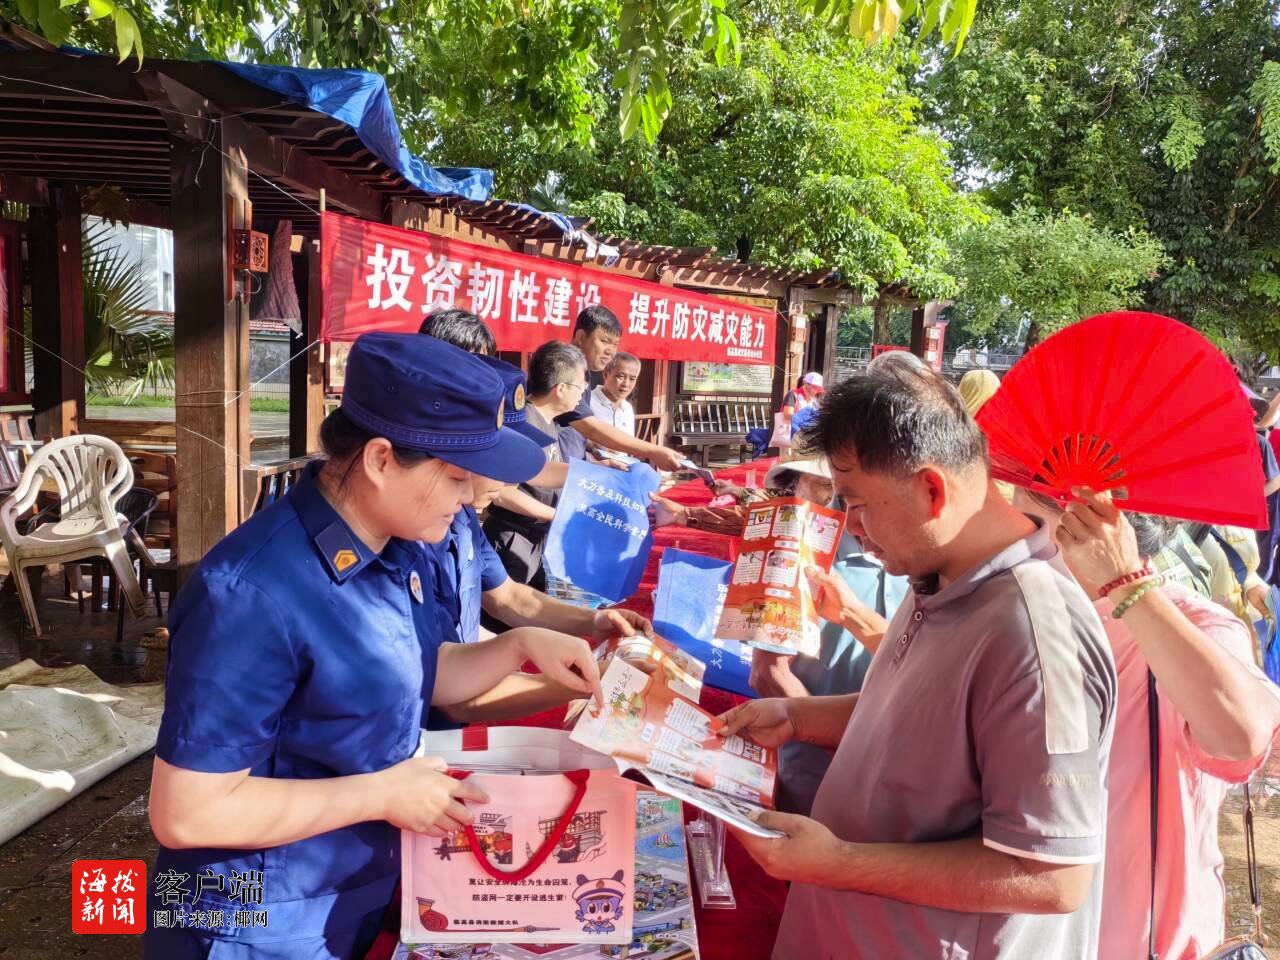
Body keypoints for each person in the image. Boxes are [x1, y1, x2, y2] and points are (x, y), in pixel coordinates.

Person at [145, 332, 603, 960]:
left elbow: (413, 672)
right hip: (260, 921)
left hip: (361, 887)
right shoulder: (251, 593)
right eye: (456, 477)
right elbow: (188, 813)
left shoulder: (395, 545)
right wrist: (383, 794)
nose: (470, 498)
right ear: (381, 459)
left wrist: (518, 644)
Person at [717, 363, 1117, 960]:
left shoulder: (1037, 637)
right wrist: (797, 717)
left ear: (932, 489)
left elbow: (1053, 877)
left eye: (857, 505)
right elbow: (916, 714)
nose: (850, 528)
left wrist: (840, 862)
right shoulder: (937, 568)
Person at [1015, 487, 1280, 958]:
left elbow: (1242, 736)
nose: (1018, 540)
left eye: (1030, 523)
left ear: (1090, 524)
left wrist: (1124, 584)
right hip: (1036, 931)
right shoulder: (1027, 616)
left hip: (1147, 940)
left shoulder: (1195, 624)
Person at [428, 351, 655, 724]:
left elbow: (509, 598)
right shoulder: (407, 539)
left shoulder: (462, 519)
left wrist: (594, 621)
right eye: (497, 461)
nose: (507, 480)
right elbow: (450, 692)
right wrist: (586, 678)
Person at [751, 519, 909, 816]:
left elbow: (931, 663)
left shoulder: (930, 555)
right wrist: (836, 746)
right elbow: (769, 674)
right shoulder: (797, 544)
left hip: (900, 776)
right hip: (814, 774)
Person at [482, 341, 587, 599]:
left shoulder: (548, 422)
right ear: (560, 388)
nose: (583, 392)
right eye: (581, 385)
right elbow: (503, 492)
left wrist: (593, 472)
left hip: (534, 539)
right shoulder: (524, 421)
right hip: (511, 537)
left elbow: (543, 471)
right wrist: (556, 515)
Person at [554, 306, 681, 471]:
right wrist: (653, 451)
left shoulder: (583, 373)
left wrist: (592, 446)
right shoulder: (564, 369)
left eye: (615, 344)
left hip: (572, 470)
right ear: (580, 337)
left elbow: (570, 425)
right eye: (604, 341)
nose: (610, 351)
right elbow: (589, 426)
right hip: (552, 472)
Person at [649, 456, 832, 536]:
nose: (834, 493)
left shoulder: (838, 510)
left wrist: (684, 514)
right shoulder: (795, 499)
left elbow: (752, 518)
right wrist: (736, 491)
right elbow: (768, 504)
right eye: (794, 482)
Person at [589, 352, 641, 437]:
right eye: (621, 376)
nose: (626, 384)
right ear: (606, 374)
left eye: (632, 379)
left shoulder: (627, 408)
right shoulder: (588, 402)